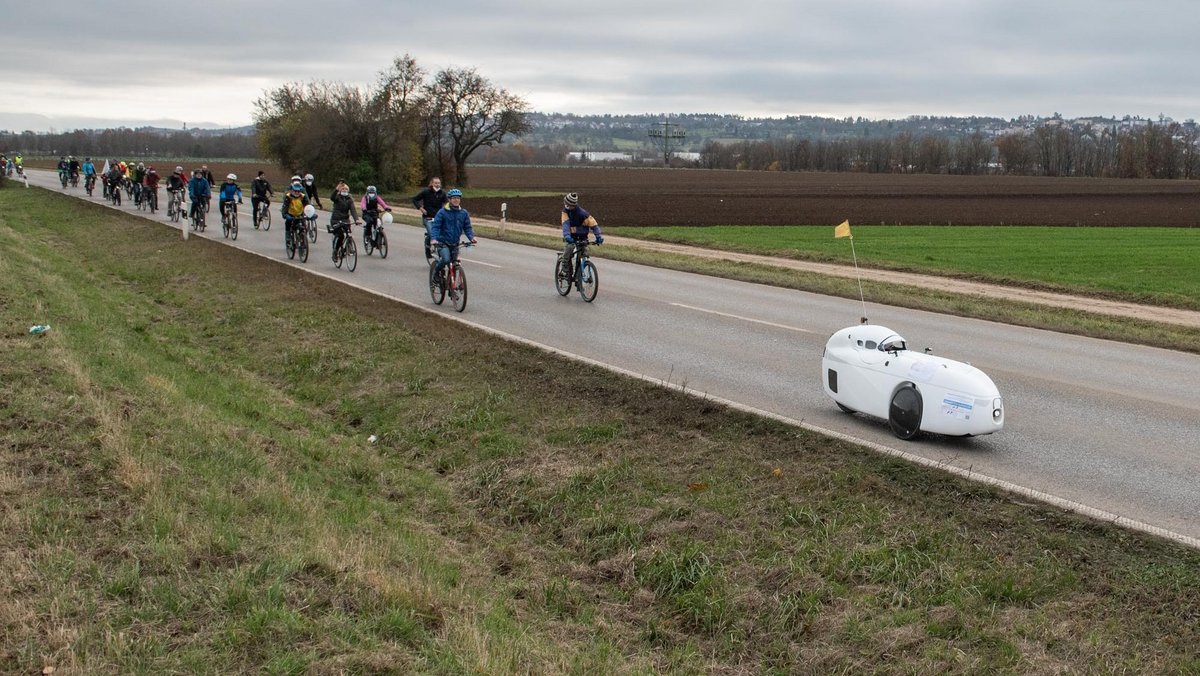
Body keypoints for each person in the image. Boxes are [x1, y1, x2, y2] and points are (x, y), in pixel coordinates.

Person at [429, 188, 476, 287]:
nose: (456, 200)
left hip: (455, 243)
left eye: (458, 198)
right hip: (442, 242)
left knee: (454, 264)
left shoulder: (463, 213)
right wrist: (434, 239)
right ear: (449, 200)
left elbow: (467, 227)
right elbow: (436, 227)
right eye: (454, 198)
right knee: (446, 259)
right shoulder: (442, 212)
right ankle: (435, 273)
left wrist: (471, 237)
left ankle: (452, 289)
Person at [559, 192, 604, 283]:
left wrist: (598, 236)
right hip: (571, 238)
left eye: (568, 204)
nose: (566, 205)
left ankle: (580, 273)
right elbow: (565, 224)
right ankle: (565, 272)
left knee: (584, 253)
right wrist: (567, 236)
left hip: (582, 238)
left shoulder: (583, 214)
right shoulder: (565, 212)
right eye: (565, 203)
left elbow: (594, 225)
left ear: (573, 205)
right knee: (568, 252)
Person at [411, 176, 447, 259]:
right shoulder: (426, 192)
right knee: (432, 233)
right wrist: (421, 208)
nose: (437, 185)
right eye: (435, 183)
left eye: (439, 183)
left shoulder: (442, 193)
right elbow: (415, 199)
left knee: (442, 233)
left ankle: (442, 250)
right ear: (432, 183)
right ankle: (427, 249)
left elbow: (446, 203)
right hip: (428, 217)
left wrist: (444, 210)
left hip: (438, 218)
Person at [327, 180, 360, 261]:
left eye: (346, 189)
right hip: (336, 220)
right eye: (343, 189)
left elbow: (353, 210)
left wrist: (356, 219)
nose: (344, 190)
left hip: (345, 220)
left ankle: (349, 247)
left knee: (348, 233)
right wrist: (337, 188)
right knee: (341, 235)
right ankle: (335, 252)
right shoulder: (337, 198)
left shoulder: (350, 200)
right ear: (340, 190)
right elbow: (332, 197)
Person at [280, 181, 310, 247]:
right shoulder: (288, 197)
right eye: (295, 191)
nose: (297, 193)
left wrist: (311, 214)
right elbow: (285, 207)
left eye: (298, 191)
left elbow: (308, 206)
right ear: (292, 191)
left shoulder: (303, 197)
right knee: (288, 223)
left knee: (303, 226)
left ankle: (302, 238)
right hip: (290, 214)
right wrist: (285, 215)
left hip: (300, 214)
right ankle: (288, 237)